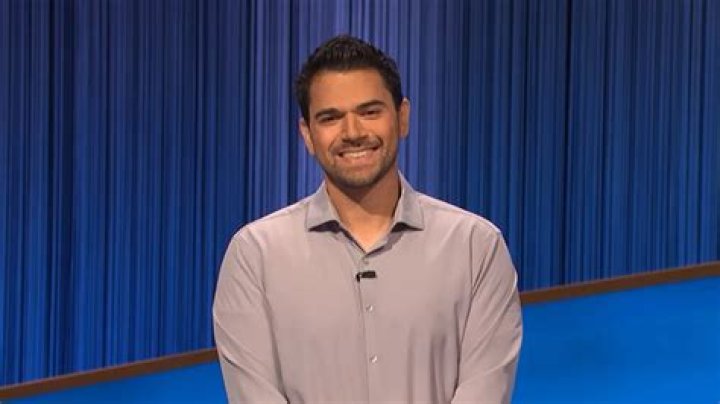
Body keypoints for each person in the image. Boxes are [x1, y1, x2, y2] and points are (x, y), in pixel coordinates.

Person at [213, 35, 522, 404]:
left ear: (402, 117)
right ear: (307, 134)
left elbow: (485, 391)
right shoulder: (255, 256)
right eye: (330, 118)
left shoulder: (475, 247)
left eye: (370, 111)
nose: (353, 133)